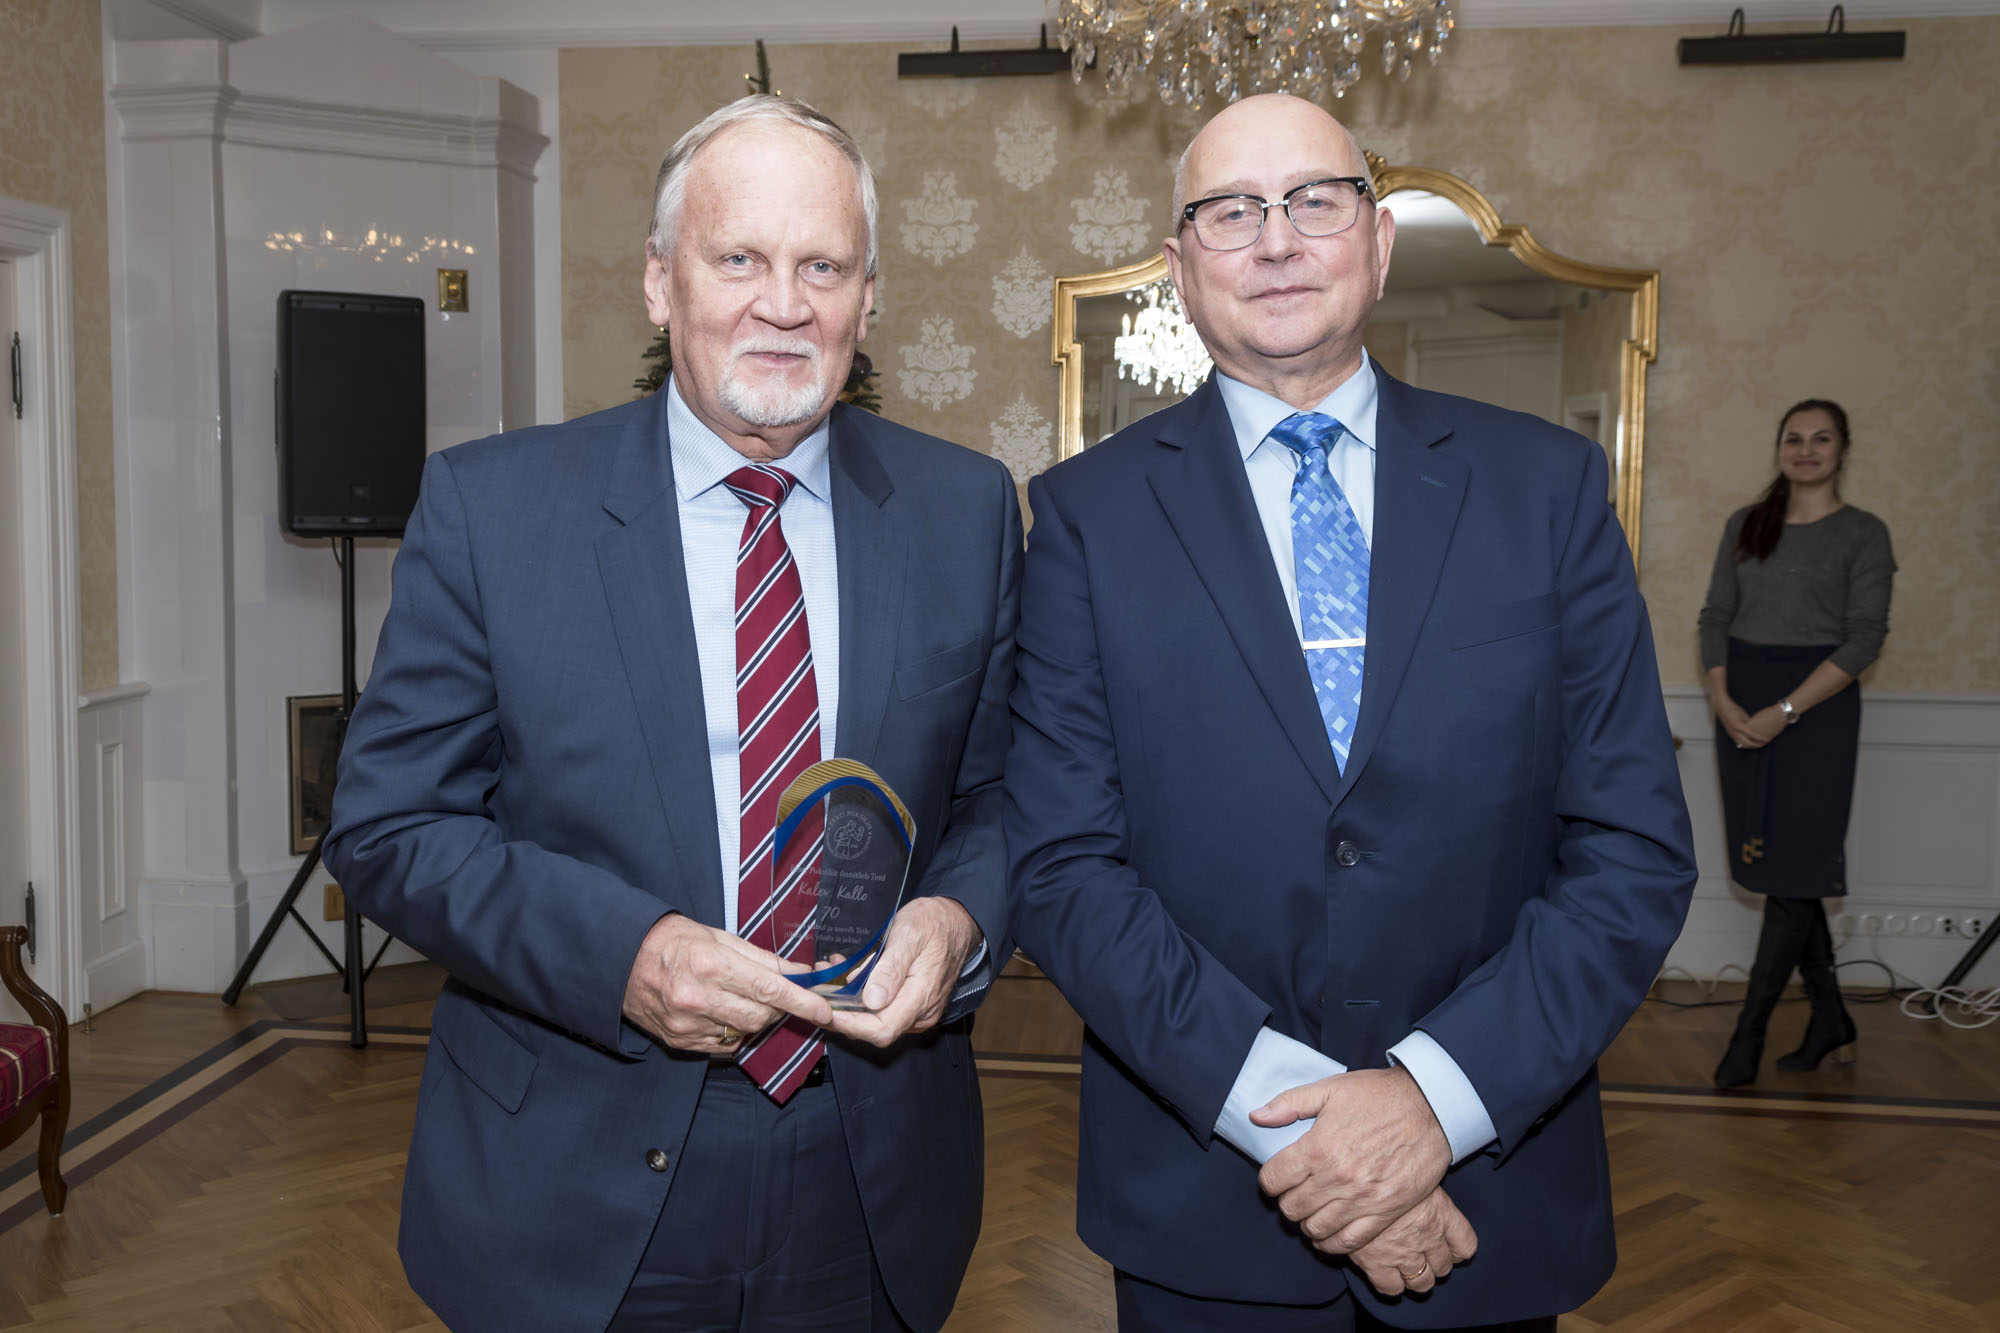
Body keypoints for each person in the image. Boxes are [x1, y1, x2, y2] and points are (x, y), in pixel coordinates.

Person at [324, 95, 1019, 1333]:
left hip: (871, 1176)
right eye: (737, 258)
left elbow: (1004, 794)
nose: (783, 303)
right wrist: (624, 956)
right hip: (569, 1173)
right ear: (659, 283)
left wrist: (958, 913)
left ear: (867, 301)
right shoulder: (493, 511)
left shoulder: (964, 512)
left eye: (823, 267)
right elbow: (389, 828)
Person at [1003, 93, 1696, 1331]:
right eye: (1230, 211)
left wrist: (1431, 1102)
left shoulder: (1544, 490)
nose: (1275, 240)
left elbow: (1630, 849)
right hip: (1206, 1214)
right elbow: (1061, 868)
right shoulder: (1081, 520)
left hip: (1489, 1195)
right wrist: (1308, 1128)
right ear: (1179, 266)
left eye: (1313, 201)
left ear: (1377, 243)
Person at [1699, 399, 1894, 1088]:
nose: (1806, 449)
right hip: (1740, 701)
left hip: (1819, 707)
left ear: (1843, 450)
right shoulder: (1746, 524)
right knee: (1787, 874)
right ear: (1779, 448)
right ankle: (1830, 1017)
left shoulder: (1864, 533)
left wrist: (1785, 711)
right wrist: (1723, 699)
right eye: (1794, 438)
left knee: (1795, 871)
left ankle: (1747, 1035)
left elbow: (1865, 638)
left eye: (1822, 439)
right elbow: (1715, 617)